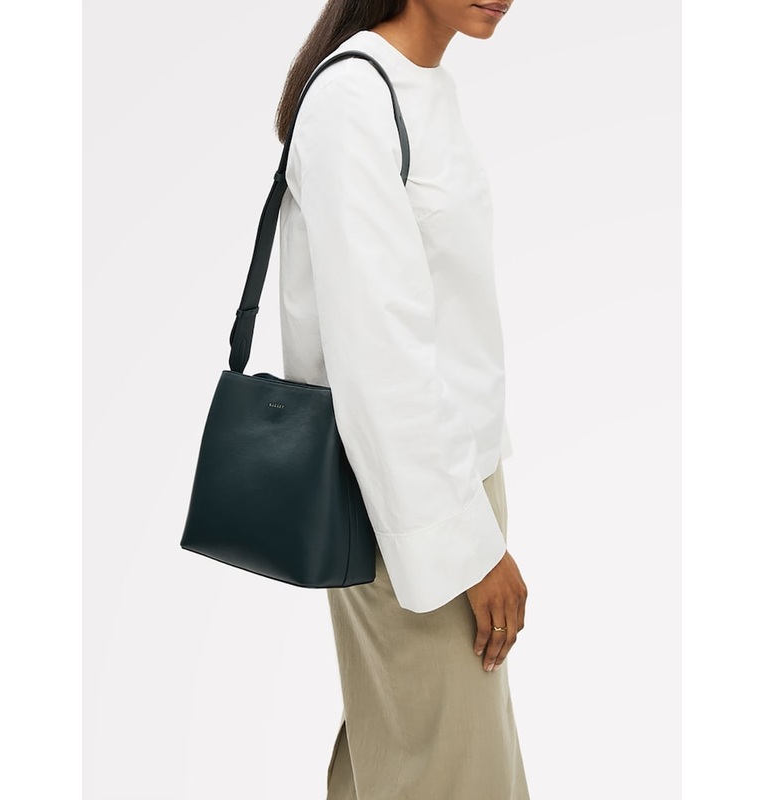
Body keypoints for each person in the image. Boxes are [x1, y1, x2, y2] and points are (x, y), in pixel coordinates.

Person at [274, 1, 529, 797]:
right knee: (451, 774)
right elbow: (380, 354)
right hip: (408, 505)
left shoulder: (417, 84)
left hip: (452, 477)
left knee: (404, 757)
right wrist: (470, 548)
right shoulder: (353, 99)